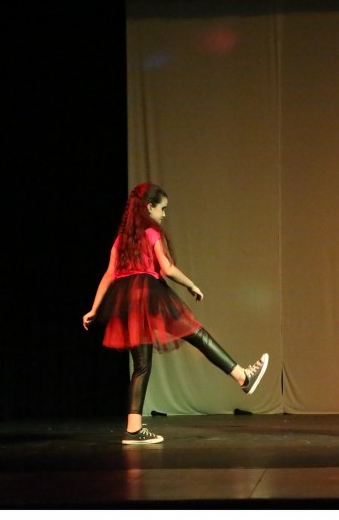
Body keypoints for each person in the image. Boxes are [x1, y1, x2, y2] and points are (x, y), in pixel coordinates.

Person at [82, 183, 270, 445]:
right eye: (163, 209)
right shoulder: (151, 231)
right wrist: (191, 284)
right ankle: (242, 376)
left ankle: (133, 429)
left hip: (127, 302)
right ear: (149, 207)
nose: (164, 215)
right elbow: (167, 269)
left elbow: (110, 274)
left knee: (141, 366)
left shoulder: (121, 240)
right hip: (149, 294)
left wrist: (94, 307)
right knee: (196, 332)